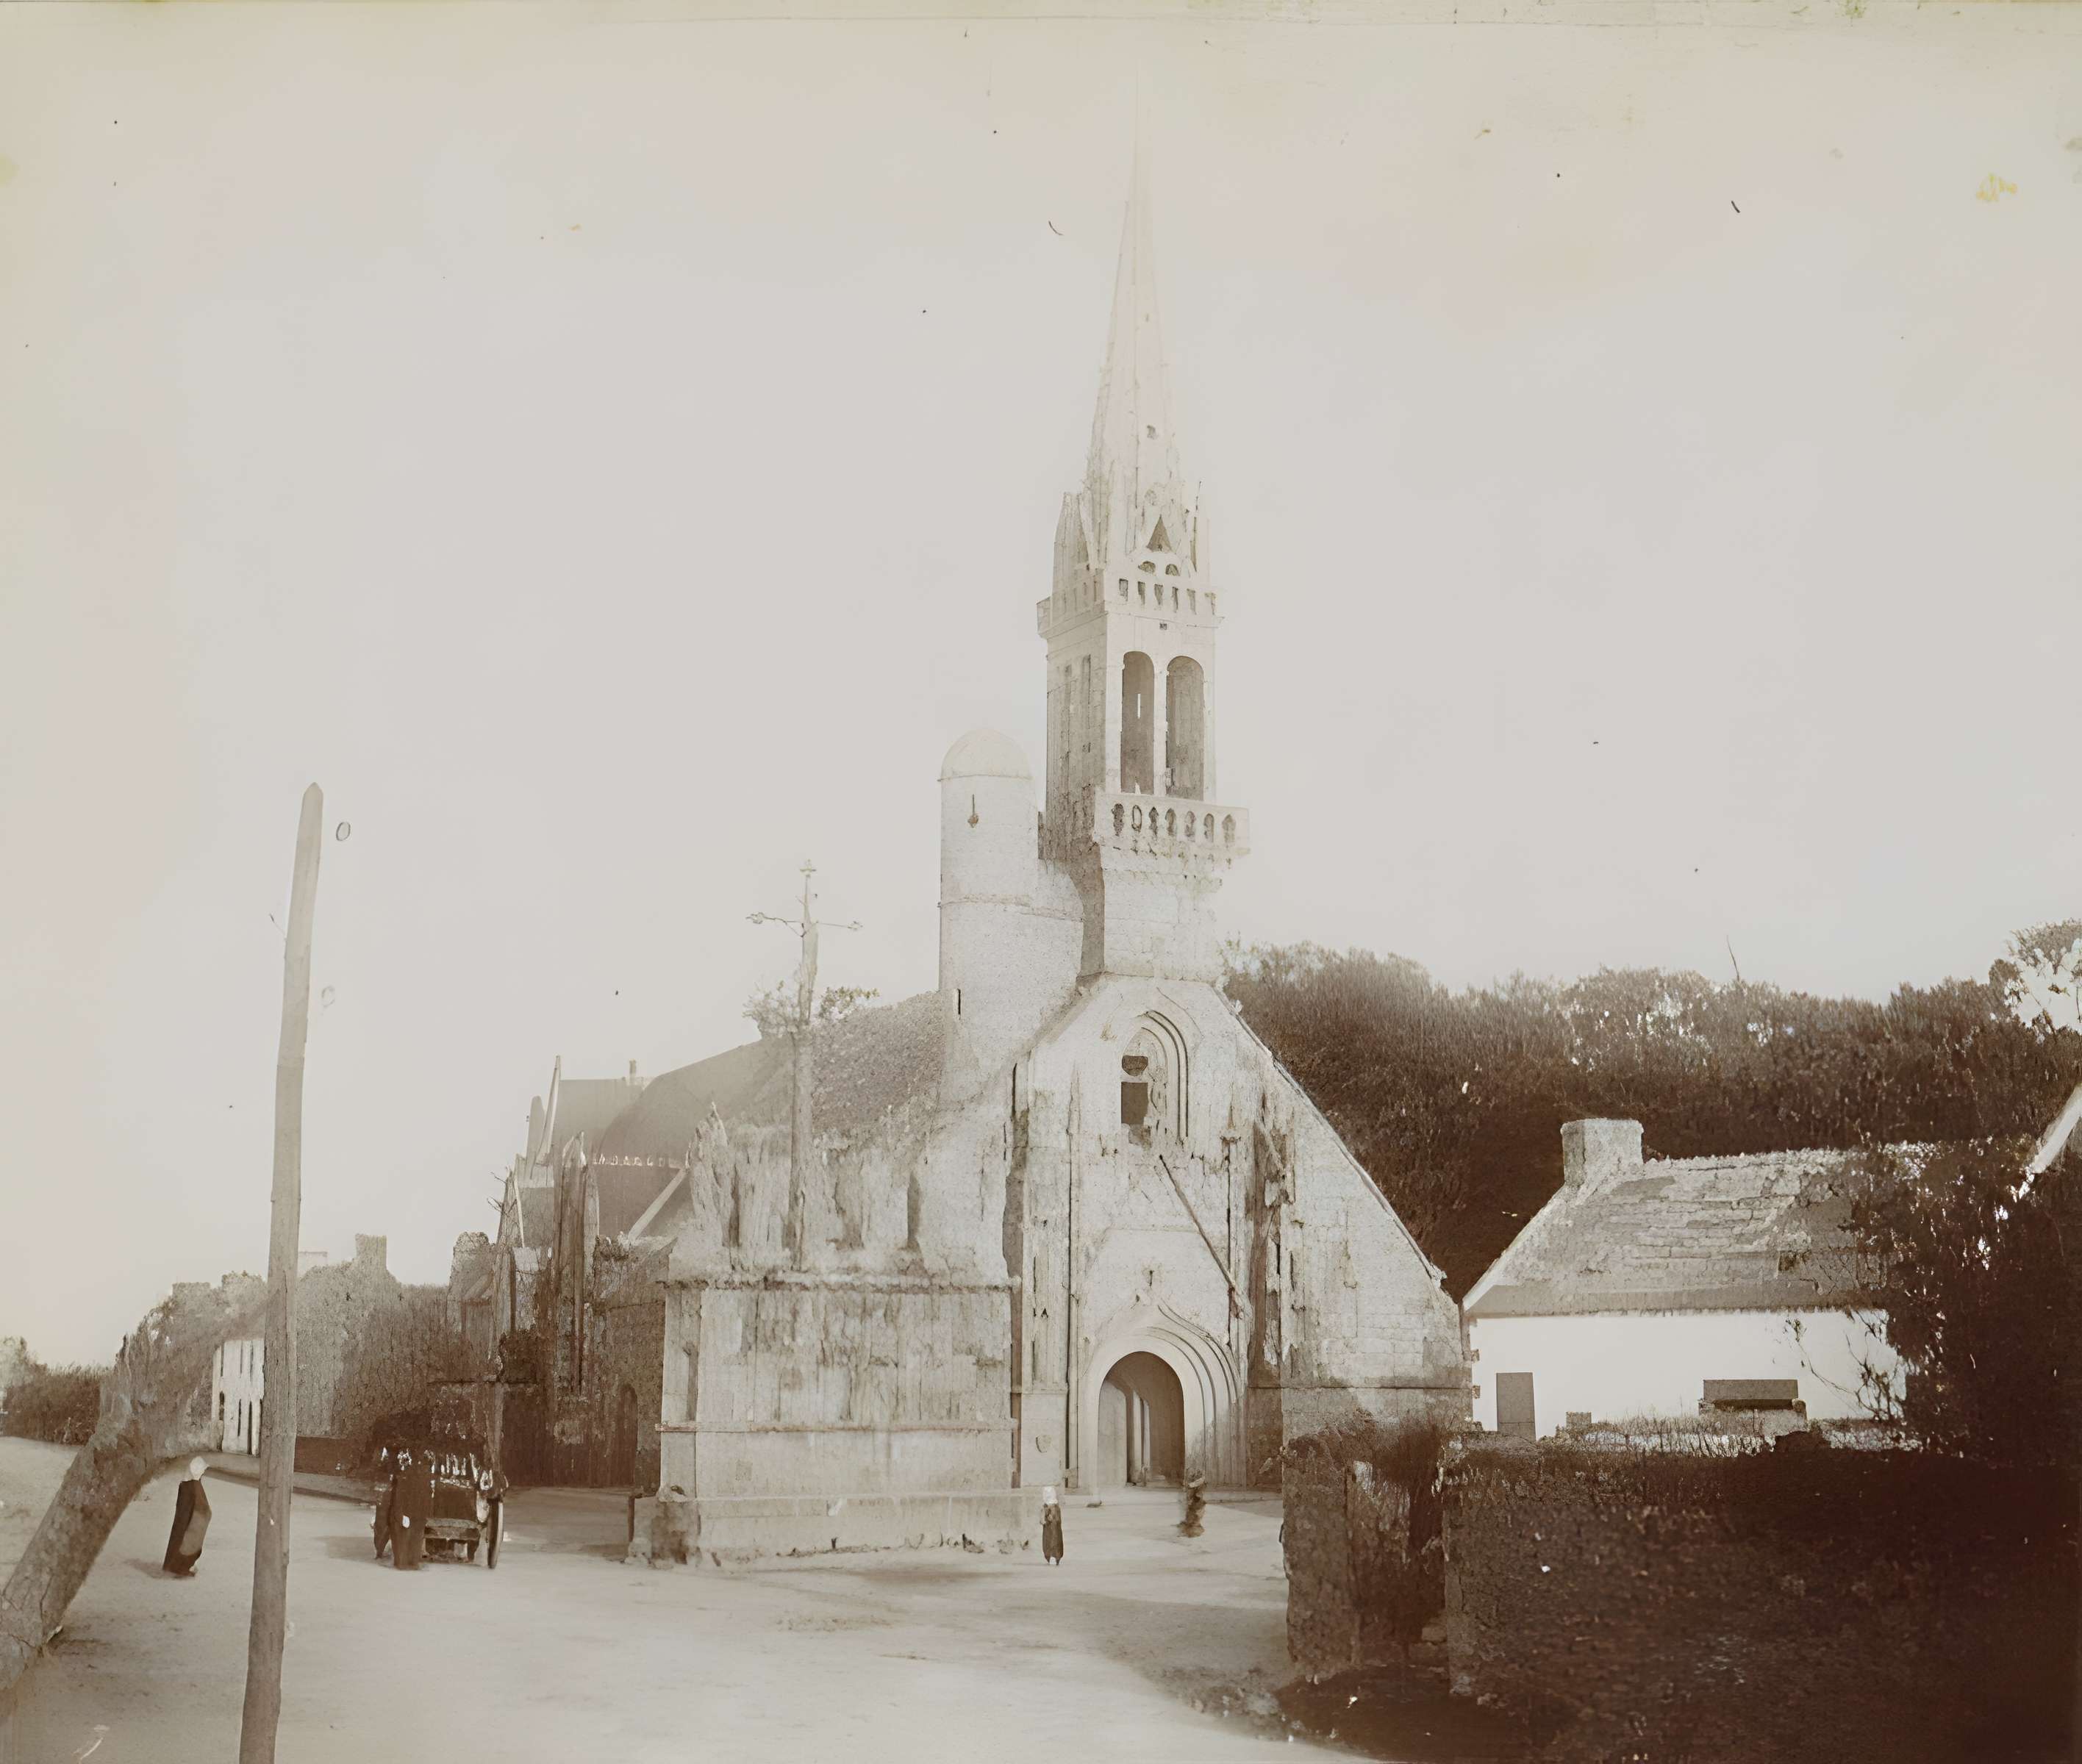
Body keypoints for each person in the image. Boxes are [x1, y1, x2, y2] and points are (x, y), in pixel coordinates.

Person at [162, 1458, 212, 1577]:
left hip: (191, 1477)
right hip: (191, 1477)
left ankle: (177, 1563)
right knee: (197, 1517)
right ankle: (179, 1564)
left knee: (188, 1519)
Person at [391, 1443, 433, 1571]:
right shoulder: (409, 1477)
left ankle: (408, 1561)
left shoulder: (407, 1477)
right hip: (413, 1510)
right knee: (411, 1535)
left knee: (411, 1535)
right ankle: (407, 1562)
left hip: (414, 1511)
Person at [1040, 1486, 1064, 1566]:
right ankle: (1056, 1557)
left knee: (1049, 1539)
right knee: (1056, 1537)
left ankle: (1051, 1556)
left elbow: (1044, 1520)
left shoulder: (1047, 1507)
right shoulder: (1056, 1507)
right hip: (1055, 1528)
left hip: (1049, 1528)